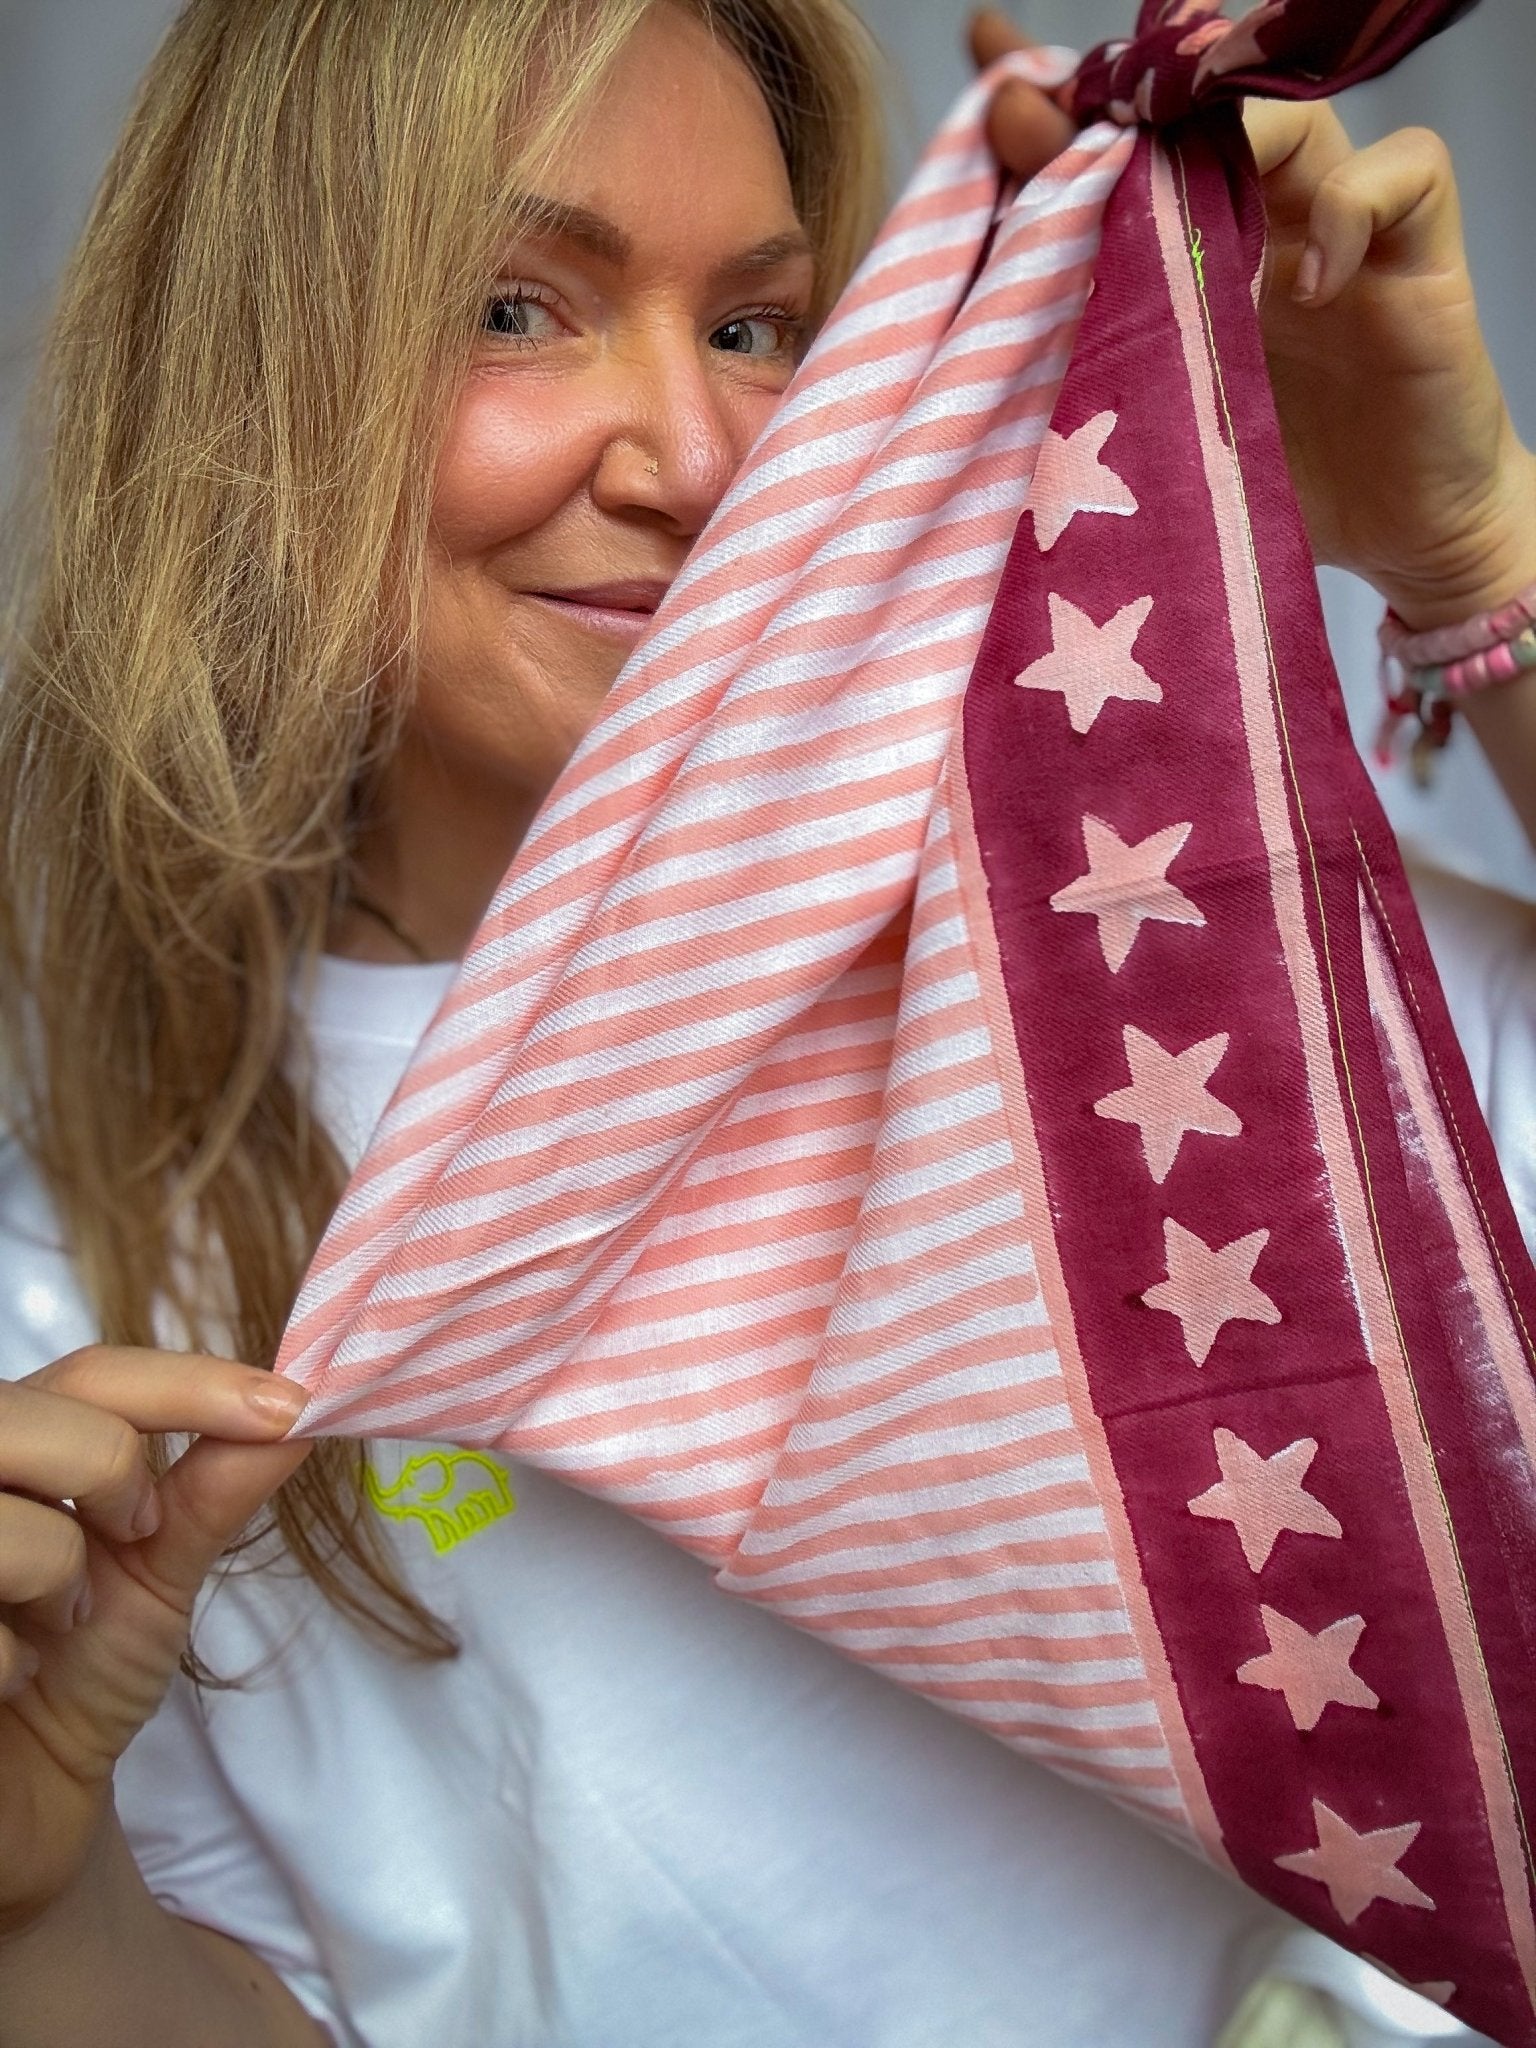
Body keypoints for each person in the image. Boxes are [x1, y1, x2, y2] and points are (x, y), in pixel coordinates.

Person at [0, 2, 1529, 2042]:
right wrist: (40, 1899)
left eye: (755, 326)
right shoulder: (74, 1304)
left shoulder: (1142, 947)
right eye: (518, 308)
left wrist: (1473, 547)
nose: (702, 461)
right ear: (253, 377)